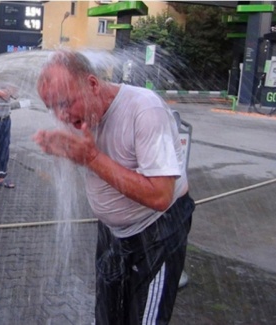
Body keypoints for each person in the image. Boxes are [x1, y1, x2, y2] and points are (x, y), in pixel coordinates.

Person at [33, 50, 194, 325]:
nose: (61, 116)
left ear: (93, 84)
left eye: (65, 103)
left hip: (157, 232)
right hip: (112, 233)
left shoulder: (144, 109)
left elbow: (161, 195)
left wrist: (91, 159)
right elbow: (95, 166)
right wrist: (69, 156)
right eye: (52, 108)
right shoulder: (80, 114)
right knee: (107, 317)